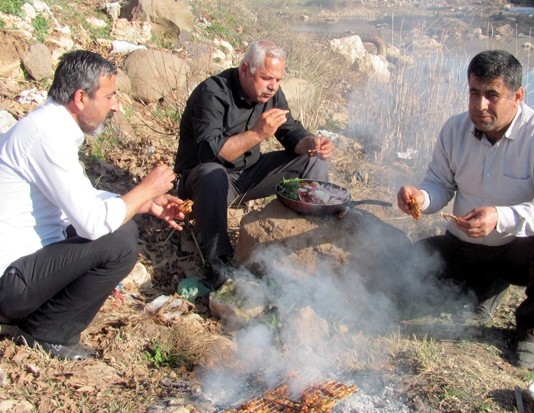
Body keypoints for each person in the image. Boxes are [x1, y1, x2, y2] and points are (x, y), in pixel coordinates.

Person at [397, 50, 534, 370]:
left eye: (492, 95)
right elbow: (440, 184)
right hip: (461, 247)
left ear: (518, 96)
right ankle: (483, 289)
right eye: (474, 92)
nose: (480, 105)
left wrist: (501, 217)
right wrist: (421, 198)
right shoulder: (454, 130)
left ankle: (529, 329)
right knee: (398, 283)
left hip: (513, 252)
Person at [0, 50, 186, 360]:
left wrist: (145, 201)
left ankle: (39, 319)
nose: (116, 105)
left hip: (23, 271)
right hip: (10, 281)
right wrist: (144, 189)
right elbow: (92, 222)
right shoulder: (47, 135)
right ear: (81, 97)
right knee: (119, 242)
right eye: (110, 96)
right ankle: (46, 331)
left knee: (121, 223)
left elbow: (84, 199)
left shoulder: (50, 127)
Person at [174, 40, 333, 289]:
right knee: (212, 173)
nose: (273, 86)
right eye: (267, 77)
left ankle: (311, 236)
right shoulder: (213, 93)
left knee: (310, 160)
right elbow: (211, 153)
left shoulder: (272, 94)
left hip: (248, 175)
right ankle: (220, 261)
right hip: (206, 184)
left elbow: (290, 132)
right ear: (245, 69)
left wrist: (310, 142)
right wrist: (258, 134)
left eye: (278, 80)